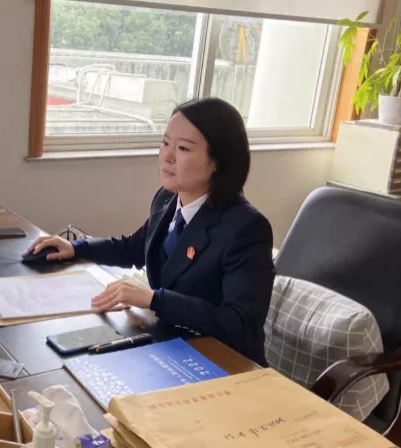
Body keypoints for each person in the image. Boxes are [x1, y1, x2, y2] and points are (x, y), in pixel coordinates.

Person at [28, 98, 275, 365]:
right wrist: (77, 247)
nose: (167, 157)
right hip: (173, 346)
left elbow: (242, 325)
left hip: (226, 364)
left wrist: (155, 300)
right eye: (165, 143)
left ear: (218, 161)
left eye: (183, 148)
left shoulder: (246, 228)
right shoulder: (167, 199)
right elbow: (134, 247)